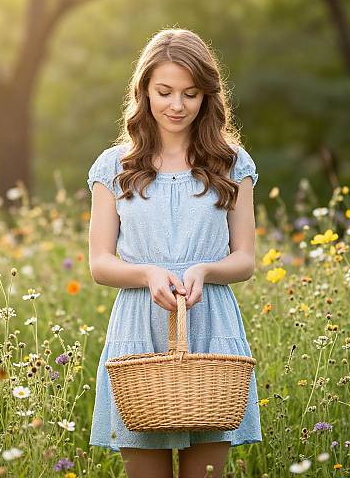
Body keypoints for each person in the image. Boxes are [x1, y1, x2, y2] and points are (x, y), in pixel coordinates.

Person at [87, 28, 262, 478]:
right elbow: (100, 263)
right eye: (164, 92)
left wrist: (205, 269)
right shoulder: (115, 166)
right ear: (143, 90)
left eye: (191, 93)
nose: (177, 105)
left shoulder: (231, 162)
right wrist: (147, 274)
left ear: (207, 96)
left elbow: (244, 258)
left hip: (209, 321)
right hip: (140, 325)